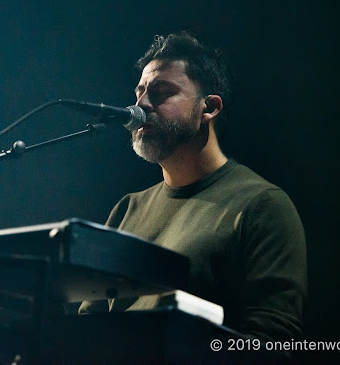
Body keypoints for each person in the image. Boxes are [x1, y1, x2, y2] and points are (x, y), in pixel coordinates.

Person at [79, 32, 307, 343]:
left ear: (209, 108)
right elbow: (85, 332)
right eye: (139, 93)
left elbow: (271, 340)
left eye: (161, 93)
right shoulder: (126, 210)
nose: (140, 106)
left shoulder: (262, 206)